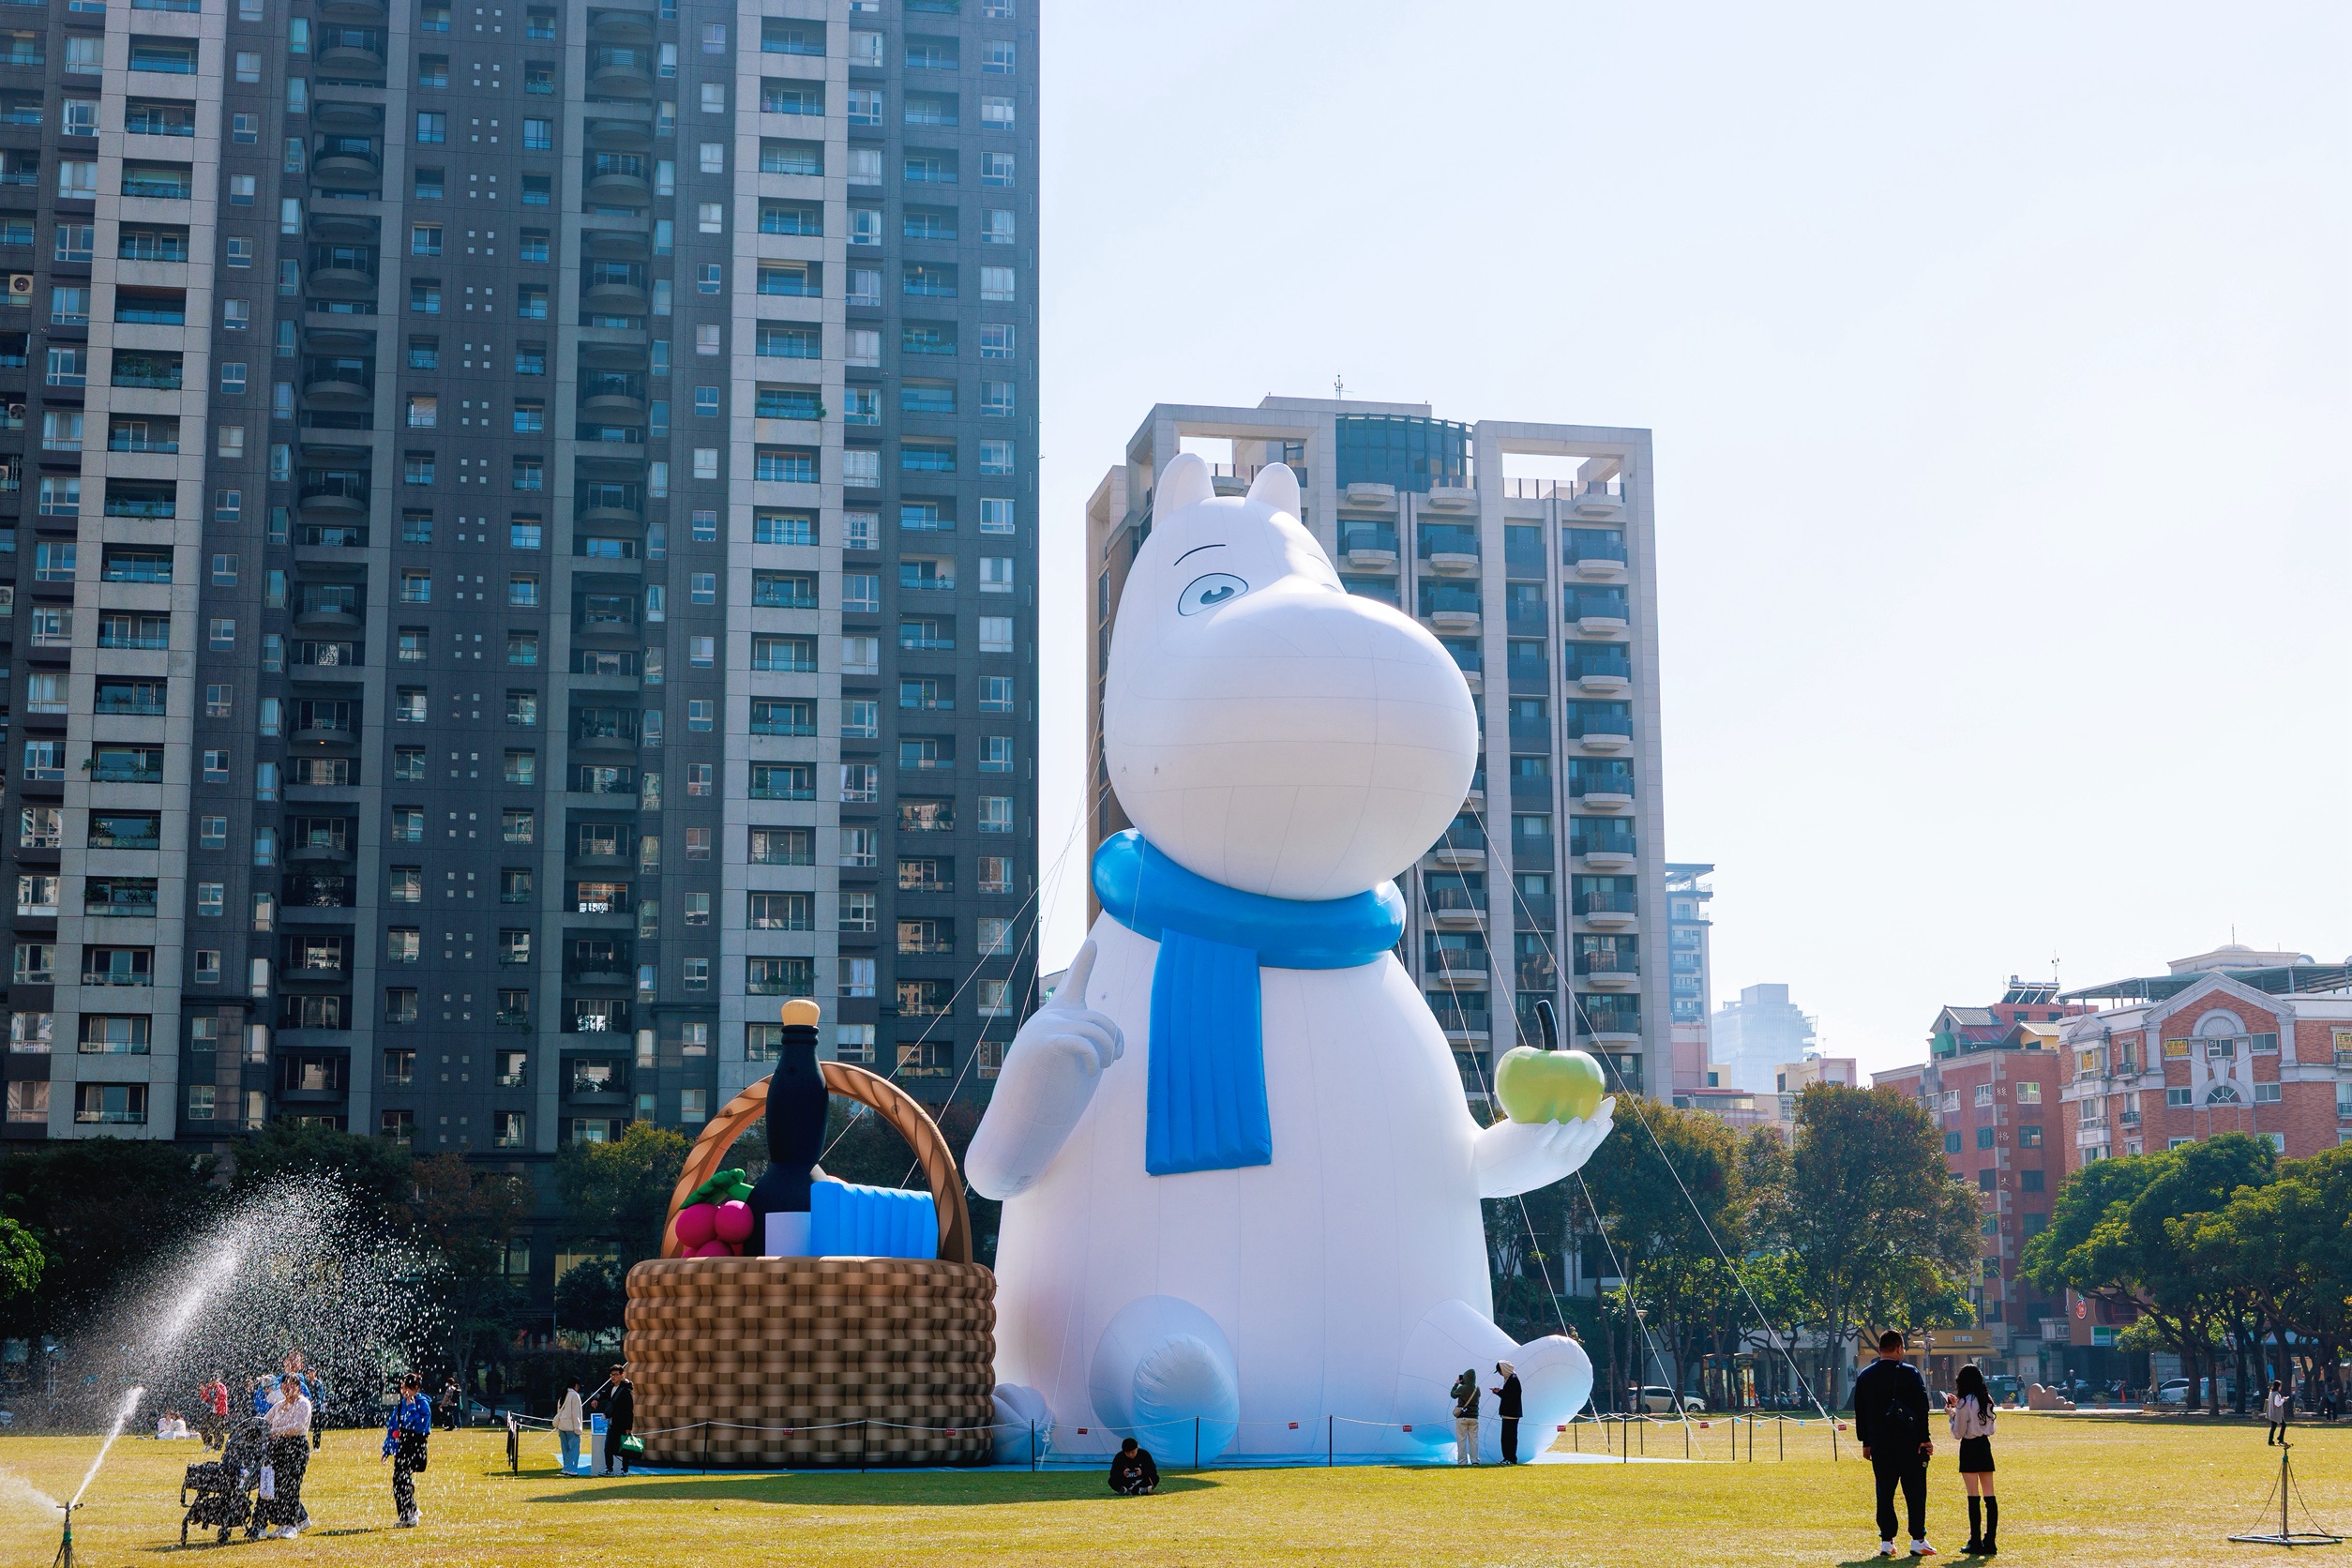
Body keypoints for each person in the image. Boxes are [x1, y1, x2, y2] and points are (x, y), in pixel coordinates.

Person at [1853, 1330, 1936, 1559]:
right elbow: (1922, 1408)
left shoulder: (1865, 1376)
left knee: (1884, 1492)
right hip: (1909, 1442)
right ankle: (1918, 1539)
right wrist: (1925, 1438)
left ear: (1880, 1348)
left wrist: (1865, 1442)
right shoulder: (1910, 1373)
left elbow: (1861, 1412)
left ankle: (1887, 1541)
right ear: (1898, 1348)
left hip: (1880, 1443)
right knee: (1915, 1492)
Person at [1946, 1363, 1998, 1556]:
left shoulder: (1964, 1402)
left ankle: (1975, 1541)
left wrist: (1952, 1415)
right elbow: (1991, 1429)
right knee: (1990, 1496)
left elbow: (1958, 1432)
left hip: (1969, 1447)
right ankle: (1990, 1541)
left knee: (1973, 1496)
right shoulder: (1987, 1399)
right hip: (1984, 1445)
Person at [263, 1372, 313, 1539]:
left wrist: (274, 1431)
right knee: (278, 1486)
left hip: (296, 1447)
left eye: (291, 1384)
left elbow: (298, 1427)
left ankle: (292, 1525)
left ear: (298, 1387)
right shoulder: (279, 1405)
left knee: (291, 1485)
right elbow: (264, 1422)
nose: (287, 1388)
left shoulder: (303, 1404)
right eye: (284, 1384)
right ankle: (282, 1523)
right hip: (278, 1448)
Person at [382, 1373, 432, 1528]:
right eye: (402, 1388)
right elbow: (393, 1428)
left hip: (416, 1447)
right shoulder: (400, 1405)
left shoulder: (422, 1404)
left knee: (404, 1479)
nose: (404, 1392)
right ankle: (405, 1516)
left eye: (408, 1388)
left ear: (416, 1388)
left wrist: (411, 1408)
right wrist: (386, 1450)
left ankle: (412, 1511)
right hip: (403, 1447)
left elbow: (420, 1427)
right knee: (397, 1481)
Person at [589, 1364, 634, 1474]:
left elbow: (629, 1410)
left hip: (623, 1424)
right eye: (612, 1375)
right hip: (612, 1423)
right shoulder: (612, 1388)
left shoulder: (626, 1390)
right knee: (608, 1447)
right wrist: (595, 1399)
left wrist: (629, 1427)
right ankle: (609, 1469)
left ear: (622, 1375)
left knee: (625, 1447)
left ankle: (625, 1470)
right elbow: (602, 1394)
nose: (613, 1377)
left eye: (616, 1375)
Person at [1490, 1361, 1524, 1465]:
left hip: (1511, 1413)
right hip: (1509, 1413)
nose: (1500, 1373)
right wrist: (1500, 1391)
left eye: (1500, 1371)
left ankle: (1511, 1459)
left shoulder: (1513, 1379)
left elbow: (1510, 1396)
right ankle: (1507, 1458)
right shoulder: (1510, 1379)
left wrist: (1499, 1392)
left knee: (1510, 1438)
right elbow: (1509, 1394)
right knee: (1505, 1438)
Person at [553, 1379, 585, 1474]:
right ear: (576, 1385)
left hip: (562, 1425)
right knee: (574, 1449)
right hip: (571, 1427)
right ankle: (571, 1469)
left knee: (565, 1449)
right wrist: (578, 1429)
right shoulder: (575, 1395)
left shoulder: (563, 1395)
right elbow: (576, 1414)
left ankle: (566, 1468)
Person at [198, 1374, 229, 1449]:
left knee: (218, 1430)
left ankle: (218, 1446)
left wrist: (217, 1387)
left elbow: (223, 1396)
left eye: (213, 1381)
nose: (211, 1383)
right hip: (212, 1411)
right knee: (203, 1427)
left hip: (220, 1412)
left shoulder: (222, 1387)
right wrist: (202, 1391)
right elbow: (205, 1399)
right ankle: (208, 1443)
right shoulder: (210, 1388)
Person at [2265, 1380, 2290, 1445]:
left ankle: (2271, 1441)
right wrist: (2283, 1400)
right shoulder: (2276, 1394)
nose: (2280, 1387)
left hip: (2272, 1413)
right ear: (2278, 1386)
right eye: (2280, 1386)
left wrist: (2281, 1399)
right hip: (2276, 1413)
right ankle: (2280, 1439)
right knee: (2283, 1425)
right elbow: (2277, 1404)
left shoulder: (2271, 1393)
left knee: (2273, 1427)